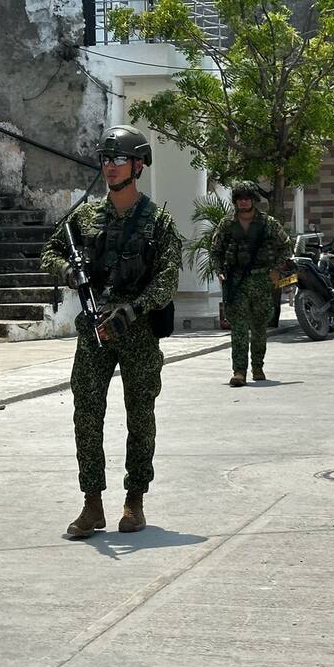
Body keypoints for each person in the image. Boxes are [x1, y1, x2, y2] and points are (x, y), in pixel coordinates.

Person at [40, 125, 182, 538]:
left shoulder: (158, 221)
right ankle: (92, 503)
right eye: (105, 159)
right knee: (86, 414)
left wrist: (134, 310)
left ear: (139, 165)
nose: (110, 167)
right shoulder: (84, 216)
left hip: (137, 331)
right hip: (93, 327)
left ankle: (134, 500)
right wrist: (68, 271)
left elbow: (167, 279)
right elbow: (50, 251)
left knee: (140, 417)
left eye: (119, 159)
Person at [210, 181, 292, 386]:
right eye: (240, 198)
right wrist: (220, 271)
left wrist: (275, 268)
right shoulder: (227, 224)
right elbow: (216, 251)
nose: (244, 201)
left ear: (254, 199)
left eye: (247, 198)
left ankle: (257, 366)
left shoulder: (268, 223)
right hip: (236, 281)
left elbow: (286, 246)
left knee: (259, 327)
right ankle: (239, 370)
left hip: (261, 279)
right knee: (238, 327)